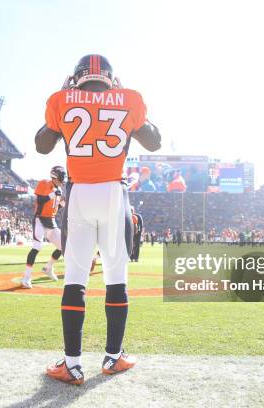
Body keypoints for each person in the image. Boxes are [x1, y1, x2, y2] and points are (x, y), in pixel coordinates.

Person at [35, 54, 161, 385]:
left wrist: (64, 93)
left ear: (76, 77)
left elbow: (42, 145)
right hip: (114, 195)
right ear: (110, 77)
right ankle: (113, 357)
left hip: (79, 195)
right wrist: (127, 104)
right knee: (115, 277)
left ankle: (72, 365)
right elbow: (154, 141)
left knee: (75, 278)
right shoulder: (129, 98)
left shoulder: (61, 100)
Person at [21, 166, 66, 289]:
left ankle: (48, 267)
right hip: (40, 219)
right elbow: (40, 201)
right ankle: (26, 277)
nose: (64, 178)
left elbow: (55, 209)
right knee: (37, 246)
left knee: (63, 246)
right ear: (57, 176)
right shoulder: (45, 183)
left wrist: (63, 203)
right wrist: (52, 195)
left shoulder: (59, 190)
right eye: (63, 176)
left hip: (50, 221)